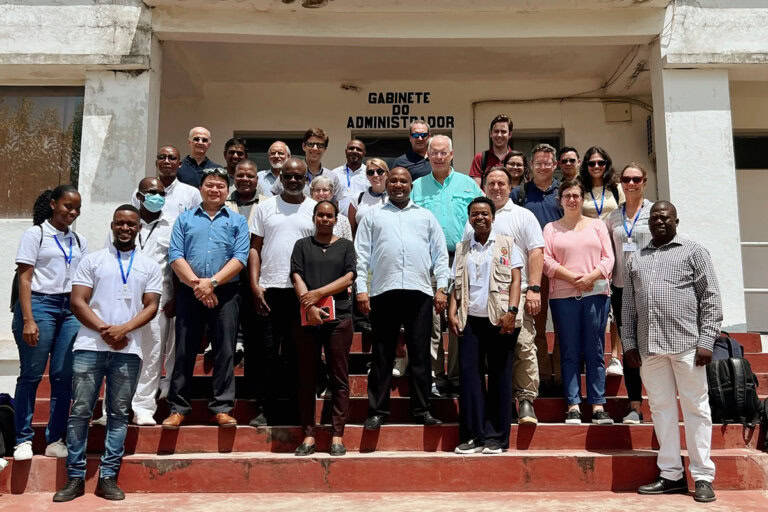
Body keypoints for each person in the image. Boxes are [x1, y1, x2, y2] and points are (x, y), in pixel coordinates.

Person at [53, 205, 162, 502]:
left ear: (139, 228)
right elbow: (78, 301)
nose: (125, 228)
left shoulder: (149, 265)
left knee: (118, 414)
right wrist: (106, 330)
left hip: (129, 349)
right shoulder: (92, 261)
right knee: (80, 412)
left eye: (131, 224)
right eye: (119, 223)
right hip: (90, 346)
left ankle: (108, 477)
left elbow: (151, 305)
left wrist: (124, 329)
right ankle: (75, 477)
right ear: (112, 226)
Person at [623, 201, 721, 503]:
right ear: (648, 224)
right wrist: (628, 344)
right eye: (654, 218)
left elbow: (711, 298)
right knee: (661, 411)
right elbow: (627, 307)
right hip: (650, 348)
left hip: (688, 347)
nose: (659, 222)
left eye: (665, 217)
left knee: (696, 409)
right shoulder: (635, 259)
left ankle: (702, 475)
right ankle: (671, 475)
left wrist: (707, 341)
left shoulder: (694, 251)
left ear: (676, 220)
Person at [355, 167, 449, 429]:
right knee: (382, 354)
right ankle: (377, 411)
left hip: (420, 292)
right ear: (386, 183)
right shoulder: (372, 216)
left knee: (420, 354)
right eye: (393, 180)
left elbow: (441, 256)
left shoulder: (426, 217)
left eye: (403, 181)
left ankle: (422, 410)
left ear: (411, 185)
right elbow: (361, 256)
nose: (398, 185)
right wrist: (361, 289)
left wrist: (442, 288)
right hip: (384, 291)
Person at [162, 167, 250, 429]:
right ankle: (178, 408)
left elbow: (240, 258)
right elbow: (176, 255)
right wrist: (198, 285)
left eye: (220, 186)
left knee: (224, 350)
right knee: (184, 350)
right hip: (191, 292)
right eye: (210, 185)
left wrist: (211, 283)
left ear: (227, 191)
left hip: (225, 292)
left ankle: (221, 408)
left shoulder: (237, 221)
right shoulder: (185, 219)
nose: (215, 190)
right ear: (201, 189)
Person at [12, 185, 88, 461]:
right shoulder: (37, 234)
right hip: (40, 305)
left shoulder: (78, 241)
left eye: (77, 208)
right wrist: (28, 319)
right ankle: (23, 439)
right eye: (68, 206)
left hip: (69, 310)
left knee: (63, 377)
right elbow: (25, 278)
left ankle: (55, 438)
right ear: (54, 204)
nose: (73, 212)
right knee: (31, 375)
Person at [463, 166, 544, 424]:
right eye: (491, 183)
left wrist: (533, 288)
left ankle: (526, 400)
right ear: (484, 187)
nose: (496, 187)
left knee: (523, 345)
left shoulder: (523, 215)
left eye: (501, 183)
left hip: (515, 294)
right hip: (480, 302)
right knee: (495, 355)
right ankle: (500, 403)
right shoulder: (475, 217)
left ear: (510, 187)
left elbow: (535, 252)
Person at [449, 197, 523, 454]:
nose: (480, 218)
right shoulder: (462, 248)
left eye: (484, 213)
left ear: (493, 217)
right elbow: (456, 285)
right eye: (475, 214)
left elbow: (516, 281)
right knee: (470, 379)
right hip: (470, 321)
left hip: (500, 319)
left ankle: (496, 438)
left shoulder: (507, 244)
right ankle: (472, 436)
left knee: (501, 377)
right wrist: (452, 311)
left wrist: (512, 312)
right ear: (469, 218)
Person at [101, 178, 176, 426]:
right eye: (152, 192)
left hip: (158, 301)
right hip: (122, 299)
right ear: (140, 195)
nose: (157, 197)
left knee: (153, 354)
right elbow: (107, 262)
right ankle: (110, 408)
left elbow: (175, 264)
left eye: (161, 193)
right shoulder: (124, 224)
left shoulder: (172, 225)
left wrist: (173, 296)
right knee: (118, 352)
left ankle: (143, 407)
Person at [412, 134, 482, 397]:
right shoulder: (416, 187)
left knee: (457, 319)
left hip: (461, 258)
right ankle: (434, 376)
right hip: (427, 261)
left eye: (444, 153)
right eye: (434, 153)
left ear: (452, 155)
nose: (439, 157)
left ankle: (454, 376)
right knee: (430, 321)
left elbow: (484, 215)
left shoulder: (468, 185)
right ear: (427, 155)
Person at [249, 158, 317, 425]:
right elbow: (255, 247)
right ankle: (266, 409)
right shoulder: (265, 208)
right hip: (270, 289)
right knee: (266, 353)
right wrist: (255, 285)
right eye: (287, 176)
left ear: (305, 180)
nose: (292, 181)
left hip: (302, 294)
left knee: (297, 353)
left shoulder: (314, 209)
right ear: (281, 177)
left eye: (298, 177)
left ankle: (293, 410)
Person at [543, 179, 615, 425]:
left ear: (582, 198)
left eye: (576, 195)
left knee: (594, 350)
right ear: (560, 200)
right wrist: (573, 278)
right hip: (564, 296)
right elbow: (547, 261)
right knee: (570, 350)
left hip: (595, 293)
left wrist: (590, 278)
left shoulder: (597, 225)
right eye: (567, 195)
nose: (572, 199)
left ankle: (598, 405)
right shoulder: (551, 228)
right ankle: (573, 404)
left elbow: (609, 259)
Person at [290, 200, 356, 456]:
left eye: (329, 216)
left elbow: (349, 277)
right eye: (321, 215)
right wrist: (309, 306)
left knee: (339, 378)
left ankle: (337, 435)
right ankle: (308, 435)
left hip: (339, 319)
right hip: (309, 319)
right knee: (307, 378)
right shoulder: (302, 245)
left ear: (336, 218)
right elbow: (296, 275)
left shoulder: (346, 246)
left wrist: (318, 293)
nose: (325, 219)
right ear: (314, 217)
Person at [511, 143, 562, 394]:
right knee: (538, 328)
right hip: (534, 269)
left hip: (562, 269)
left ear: (555, 165)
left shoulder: (564, 193)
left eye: (547, 162)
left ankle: (562, 377)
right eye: (538, 162)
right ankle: (542, 376)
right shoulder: (519, 194)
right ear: (531, 166)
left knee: (563, 328)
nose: (543, 167)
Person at [604, 163, 653, 424]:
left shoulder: (655, 212)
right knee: (631, 349)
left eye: (636, 178)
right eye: (626, 179)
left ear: (644, 181)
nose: (631, 183)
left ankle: (657, 401)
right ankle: (635, 405)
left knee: (652, 348)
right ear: (621, 182)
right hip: (622, 290)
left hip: (651, 291)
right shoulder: (613, 217)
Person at [270, 128, 346, 205]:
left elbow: (335, 207)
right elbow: (274, 199)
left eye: (320, 145)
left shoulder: (332, 177)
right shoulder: (289, 173)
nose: (315, 148)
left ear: (325, 149)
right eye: (311, 144)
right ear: (304, 146)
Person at [131, 146, 201, 222]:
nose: (166, 161)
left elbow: (197, 223)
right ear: (156, 163)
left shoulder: (192, 193)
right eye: (162, 157)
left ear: (180, 164)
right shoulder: (141, 192)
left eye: (172, 158)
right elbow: (132, 219)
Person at [579, 146, 624, 221]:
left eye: (601, 163)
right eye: (592, 163)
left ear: (607, 165)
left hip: (612, 232)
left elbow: (625, 214)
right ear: (586, 166)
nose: (596, 166)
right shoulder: (580, 189)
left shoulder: (617, 188)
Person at [469, 114, 513, 188]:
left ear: (510, 134)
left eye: (503, 132)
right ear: (490, 134)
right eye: (496, 131)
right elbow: (475, 189)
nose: (499, 135)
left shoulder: (516, 159)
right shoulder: (480, 158)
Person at [348, 158, 389, 235]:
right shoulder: (357, 198)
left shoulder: (393, 199)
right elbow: (351, 231)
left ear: (387, 174)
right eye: (371, 172)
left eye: (380, 171)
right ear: (367, 176)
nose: (375, 175)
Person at [309, 176, 352, 241]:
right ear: (311, 193)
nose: (321, 193)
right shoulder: (305, 215)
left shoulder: (343, 220)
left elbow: (348, 244)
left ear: (331, 193)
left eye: (325, 190)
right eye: (317, 190)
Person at [332, 139, 368, 215]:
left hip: (362, 222)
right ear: (346, 151)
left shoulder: (369, 174)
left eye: (359, 149)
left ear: (364, 154)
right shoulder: (335, 173)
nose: (354, 151)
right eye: (351, 148)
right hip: (339, 222)